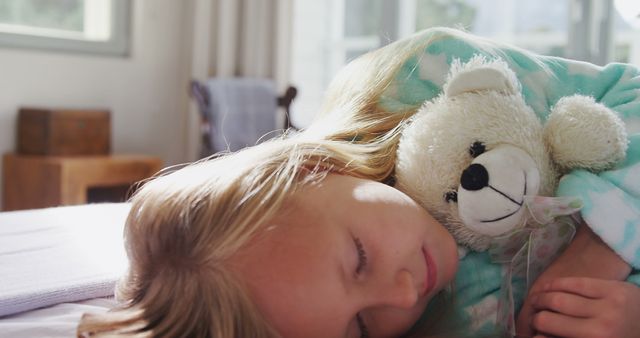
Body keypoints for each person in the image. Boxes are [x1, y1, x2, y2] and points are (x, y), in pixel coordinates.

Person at [77, 28, 640, 338]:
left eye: (360, 257)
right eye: (362, 330)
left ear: (310, 168)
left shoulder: (421, 80)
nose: (402, 294)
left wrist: (599, 247)